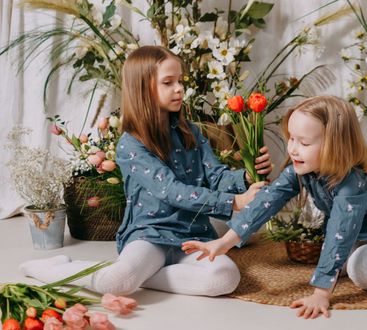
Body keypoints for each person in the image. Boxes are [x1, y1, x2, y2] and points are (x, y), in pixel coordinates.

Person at [19, 45, 273, 297]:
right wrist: (235, 202)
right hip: (149, 235)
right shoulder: (131, 144)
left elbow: (215, 175)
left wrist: (246, 177)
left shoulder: (191, 132)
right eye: (168, 82)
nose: (179, 88)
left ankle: (139, 275)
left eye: (180, 81)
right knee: (116, 284)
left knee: (225, 278)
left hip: (194, 235)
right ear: (143, 89)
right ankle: (57, 268)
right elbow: (173, 192)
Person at [182, 96, 367, 318]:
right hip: (358, 229)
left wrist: (321, 294)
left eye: (303, 142)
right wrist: (224, 242)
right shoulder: (300, 167)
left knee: (362, 274)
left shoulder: (352, 183)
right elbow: (267, 201)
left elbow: (340, 233)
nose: (292, 149)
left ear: (335, 147)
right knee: (339, 264)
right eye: (291, 138)